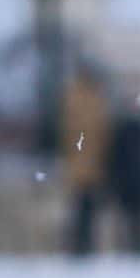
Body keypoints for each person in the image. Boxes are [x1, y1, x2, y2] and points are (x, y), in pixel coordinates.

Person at [59, 63, 112, 258]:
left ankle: (80, 247)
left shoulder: (76, 97)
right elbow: (96, 133)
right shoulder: (91, 99)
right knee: (85, 210)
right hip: (89, 166)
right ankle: (82, 247)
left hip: (82, 165)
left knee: (82, 209)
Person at [106, 104, 140, 256]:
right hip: (136, 184)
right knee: (137, 220)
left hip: (132, 184)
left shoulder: (124, 132)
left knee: (134, 220)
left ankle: (134, 248)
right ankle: (137, 247)